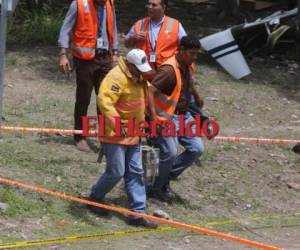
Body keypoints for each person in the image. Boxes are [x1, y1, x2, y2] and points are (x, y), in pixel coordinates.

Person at [88, 49, 158, 228]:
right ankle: (95, 198)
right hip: (114, 134)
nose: (142, 71)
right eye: (139, 68)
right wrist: (119, 125)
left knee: (135, 172)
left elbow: (144, 99)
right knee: (116, 172)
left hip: (133, 134)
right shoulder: (116, 77)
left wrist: (149, 120)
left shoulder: (139, 77)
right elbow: (104, 101)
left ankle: (137, 213)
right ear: (129, 64)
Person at [148, 36, 204, 203]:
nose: (194, 57)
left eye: (197, 54)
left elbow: (188, 81)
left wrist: (196, 96)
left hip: (183, 115)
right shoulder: (168, 70)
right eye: (192, 53)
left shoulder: (186, 65)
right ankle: (155, 189)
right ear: (181, 50)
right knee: (170, 152)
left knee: (197, 148)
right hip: (166, 118)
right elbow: (150, 91)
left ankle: (163, 179)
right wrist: (153, 118)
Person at [58, 0, 118, 152]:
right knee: (83, 99)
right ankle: (80, 136)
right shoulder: (79, 4)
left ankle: (105, 138)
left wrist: (115, 52)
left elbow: (113, 28)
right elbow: (65, 29)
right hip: (85, 60)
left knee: (105, 100)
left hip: (105, 58)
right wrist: (63, 54)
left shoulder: (109, 4)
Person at [125, 0, 187, 72]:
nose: (150, 7)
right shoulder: (140, 23)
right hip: (144, 70)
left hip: (167, 71)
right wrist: (133, 38)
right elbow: (127, 44)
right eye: (149, 4)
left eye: (154, 5)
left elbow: (186, 47)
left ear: (163, 7)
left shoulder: (174, 24)